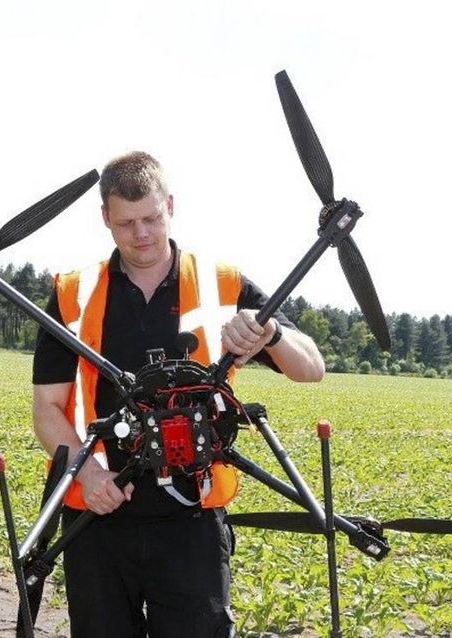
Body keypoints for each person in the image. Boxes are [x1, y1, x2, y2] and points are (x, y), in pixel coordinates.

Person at [31, 151, 324, 638]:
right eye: (126, 223)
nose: (141, 234)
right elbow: (47, 410)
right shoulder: (72, 294)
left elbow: (311, 367)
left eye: (151, 218)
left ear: (170, 204)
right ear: (105, 218)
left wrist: (269, 334)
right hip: (98, 515)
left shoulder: (221, 284)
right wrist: (89, 473)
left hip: (193, 518)